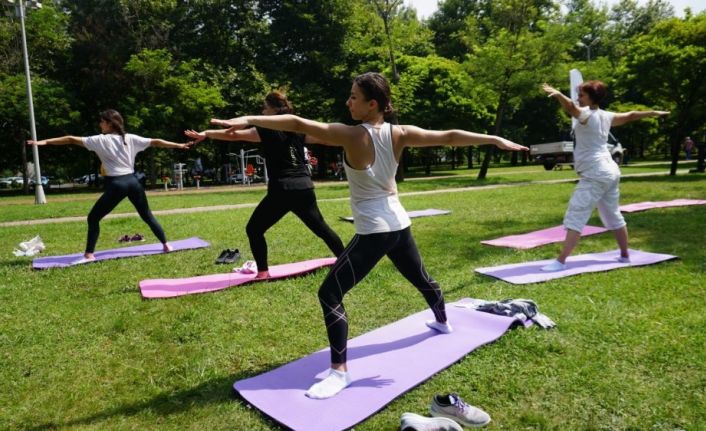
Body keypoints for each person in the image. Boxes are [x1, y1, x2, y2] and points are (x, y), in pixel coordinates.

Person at [211, 72, 528, 399]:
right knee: (420, 277)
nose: (348, 102)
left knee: (329, 294)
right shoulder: (400, 133)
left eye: (353, 97)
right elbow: (448, 136)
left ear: (372, 104)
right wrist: (493, 139)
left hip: (375, 231)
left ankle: (340, 372)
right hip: (399, 224)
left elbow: (297, 124)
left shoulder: (351, 135)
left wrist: (250, 118)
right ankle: (443, 321)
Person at [185, 91, 345, 278]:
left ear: (275, 110)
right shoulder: (299, 130)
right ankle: (346, 263)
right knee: (323, 229)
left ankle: (263, 273)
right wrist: (351, 139)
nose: (262, 110)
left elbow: (235, 136)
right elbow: (326, 138)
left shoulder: (265, 130)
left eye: (265, 107)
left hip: (283, 190)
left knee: (254, 229)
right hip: (304, 187)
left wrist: (207, 133)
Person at [27, 109, 193, 263]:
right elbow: (156, 142)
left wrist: (44, 142)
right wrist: (178, 145)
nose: (100, 125)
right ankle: (166, 245)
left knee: (93, 218)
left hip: (117, 184)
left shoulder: (100, 140)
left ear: (110, 124)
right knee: (147, 215)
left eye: (102, 122)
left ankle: (89, 255)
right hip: (133, 182)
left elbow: (70, 139)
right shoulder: (130, 138)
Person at [540, 81, 669, 272]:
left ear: (592, 98)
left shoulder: (586, 115)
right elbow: (631, 116)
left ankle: (560, 262)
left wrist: (558, 94)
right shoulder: (607, 116)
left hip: (595, 173)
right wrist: (652, 113)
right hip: (610, 170)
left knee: (576, 214)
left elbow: (570, 107)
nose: (578, 98)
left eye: (582, 95)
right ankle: (625, 255)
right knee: (612, 214)